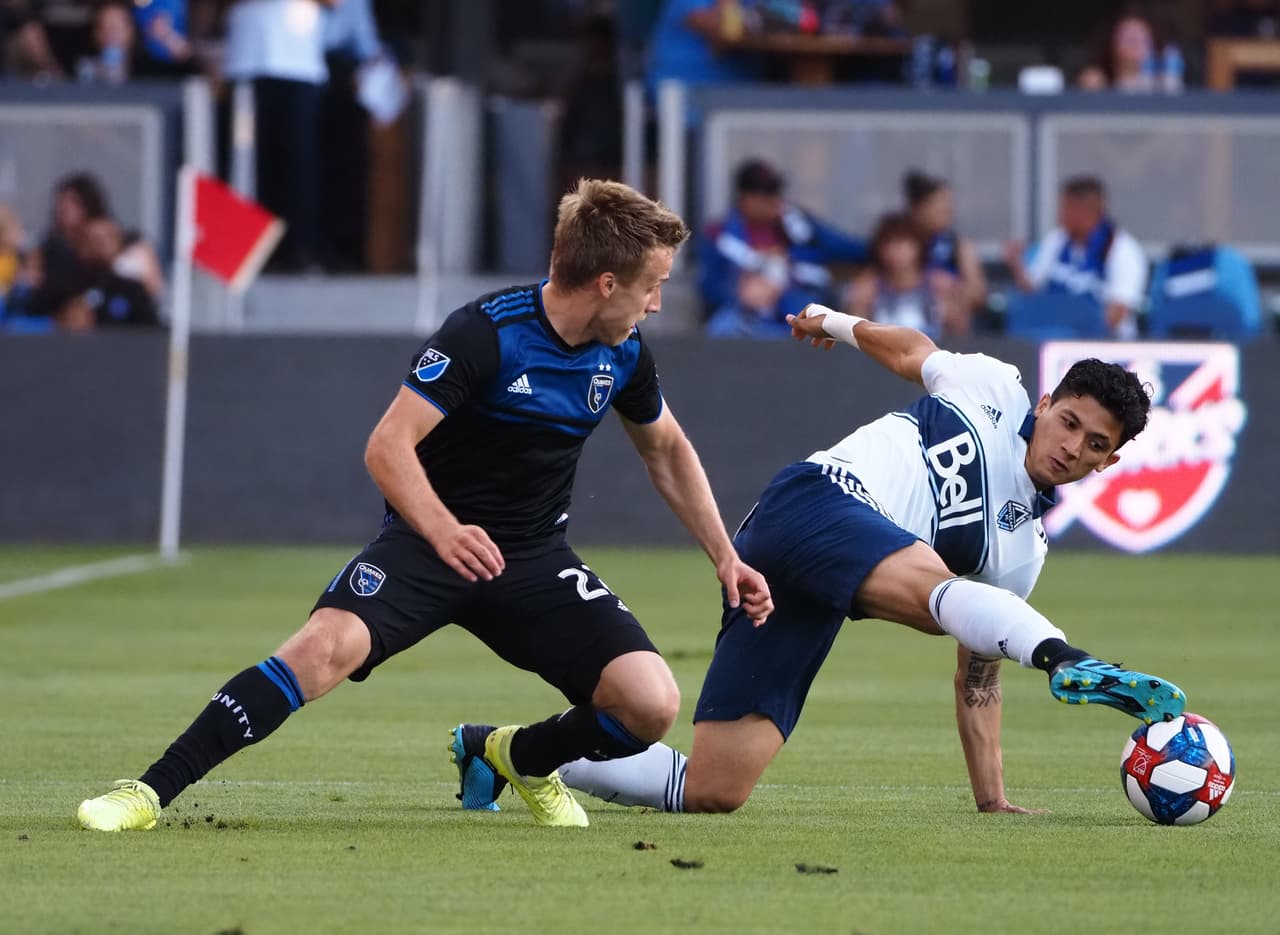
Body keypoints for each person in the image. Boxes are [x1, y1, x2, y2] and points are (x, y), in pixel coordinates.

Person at [77, 179, 773, 832]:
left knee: (651, 702)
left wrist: (726, 556)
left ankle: (514, 756)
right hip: (426, 545)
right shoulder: (485, 334)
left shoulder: (622, 352)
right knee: (322, 650)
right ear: (607, 282)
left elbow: (667, 449)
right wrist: (442, 529)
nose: (655, 303)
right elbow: (388, 446)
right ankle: (146, 792)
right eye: (653, 286)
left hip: (531, 557)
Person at [455, 303, 1188, 817]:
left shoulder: (1021, 550)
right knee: (941, 598)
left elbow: (978, 682)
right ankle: (1066, 655)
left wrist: (991, 798)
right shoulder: (995, 386)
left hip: (814, 581)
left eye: (1095, 444)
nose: (1072, 445)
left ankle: (506, 750)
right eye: (1069, 422)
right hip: (816, 500)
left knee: (715, 786)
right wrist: (832, 323)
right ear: (1050, 399)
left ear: (1110, 460)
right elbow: (908, 350)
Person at [703, 158, 866, 338]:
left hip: (798, 310)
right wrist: (740, 292)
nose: (775, 200)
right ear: (745, 198)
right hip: (746, 318)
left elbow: (850, 249)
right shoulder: (719, 235)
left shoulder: (799, 224)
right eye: (766, 193)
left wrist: (872, 273)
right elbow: (709, 287)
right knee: (721, 327)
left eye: (776, 191)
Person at [1004, 176, 1148, 340]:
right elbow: (1032, 290)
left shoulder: (1123, 249)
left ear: (1087, 211)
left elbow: (1118, 312)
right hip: (1052, 337)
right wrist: (1016, 263)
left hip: (1102, 345)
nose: (1061, 215)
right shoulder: (1056, 240)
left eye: (1066, 209)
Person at [845, 212, 964, 340]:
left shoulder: (940, 285)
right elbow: (855, 336)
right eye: (888, 244)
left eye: (901, 243)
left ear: (918, 246)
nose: (894, 251)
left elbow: (961, 334)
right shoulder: (868, 289)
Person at [903, 169, 986, 316]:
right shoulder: (895, 244)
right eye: (939, 202)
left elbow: (977, 295)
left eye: (948, 202)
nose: (948, 209)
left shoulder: (958, 246)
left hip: (946, 326)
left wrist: (953, 288)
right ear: (918, 208)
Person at [1078, 10, 1164, 92]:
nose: (1135, 45)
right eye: (1130, 39)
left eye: (1142, 40)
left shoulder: (1164, 86)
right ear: (1112, 43)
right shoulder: (1098, 83)